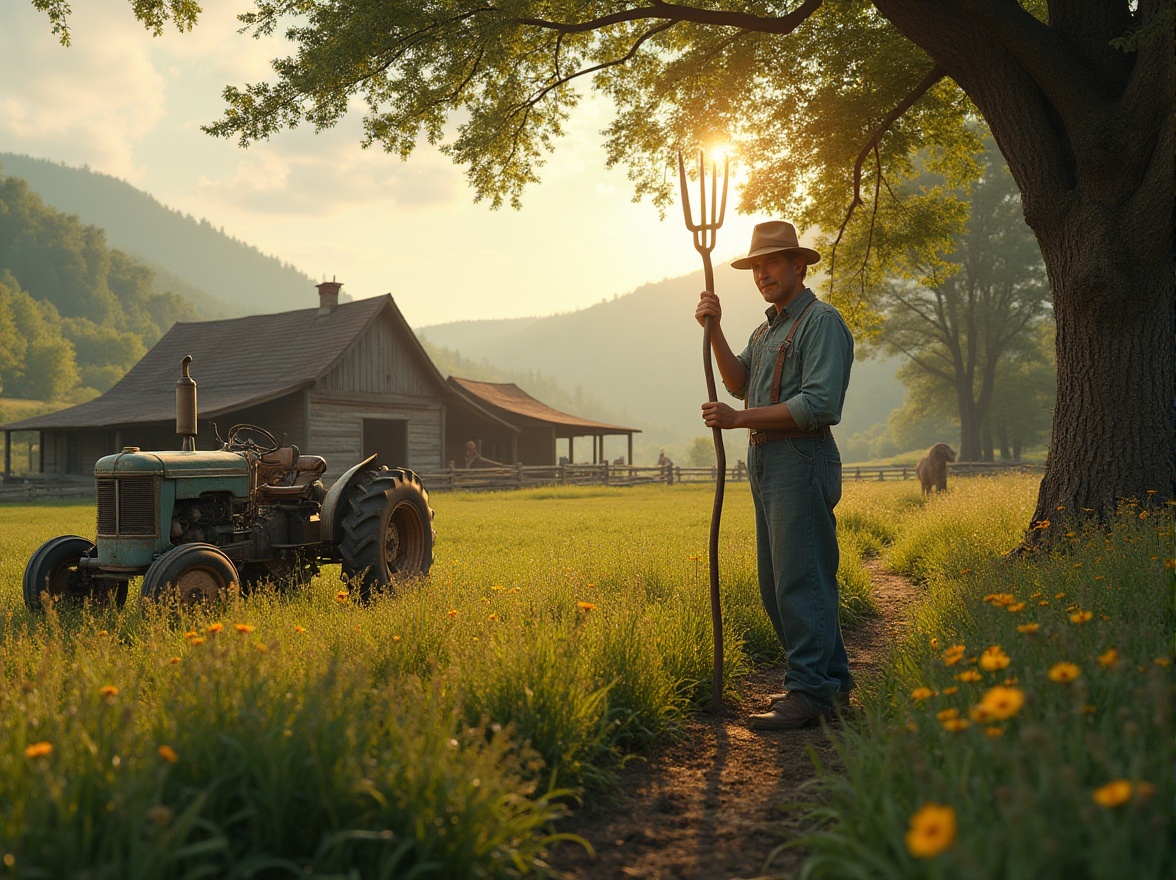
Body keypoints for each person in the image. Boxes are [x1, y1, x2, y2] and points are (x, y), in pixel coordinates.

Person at [695, 220, 854, 730]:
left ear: (798, 265)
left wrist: (739, 419)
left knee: (800, 578)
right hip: (766, 460)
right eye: (755, 266)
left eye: (771, 263)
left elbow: (819, 403)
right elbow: (739, 382)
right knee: (776, 581)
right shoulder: (767, 330)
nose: (762, 273)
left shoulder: (820, 322)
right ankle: (830, 685)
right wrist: (713, 328)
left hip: (801, 456)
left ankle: (807, 691)